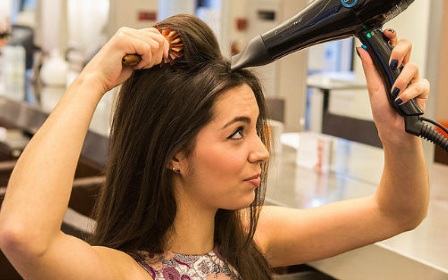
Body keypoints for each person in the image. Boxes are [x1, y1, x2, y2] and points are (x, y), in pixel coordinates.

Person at [0, 14, 429, 280]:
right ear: (174, 154)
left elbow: (398, 211)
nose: (261, 151)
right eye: (236, 132)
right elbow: (23, 235)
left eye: (256, 129)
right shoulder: (124, 274)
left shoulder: (251, 240)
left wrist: (396, 133)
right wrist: (92, 80)